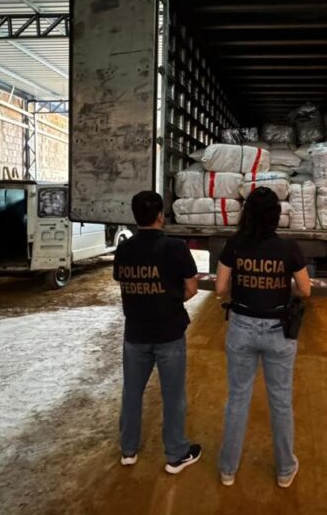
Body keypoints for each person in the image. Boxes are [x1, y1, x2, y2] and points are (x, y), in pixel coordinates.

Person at [215, 187, 312, 488]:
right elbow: (306, 290)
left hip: (242, 327)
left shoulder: (234, 244)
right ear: (276, 216)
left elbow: (220, 288)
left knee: (237, 399)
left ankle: (228, 469)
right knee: (281, 401)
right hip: (278, 332)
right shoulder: (289, 248)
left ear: (247, 214)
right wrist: (283, 287)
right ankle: (285, 471)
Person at [113, 190, 202, 474]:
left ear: (135, 216)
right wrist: (170, 301)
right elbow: (191, 288)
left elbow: (124, 283)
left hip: (135, 334)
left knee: (132, 392)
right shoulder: (175, 247)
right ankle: (176, 455)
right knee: (173, 395)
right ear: (161, 216)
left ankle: (128, 450)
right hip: (169, 333)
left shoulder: (124, 249)